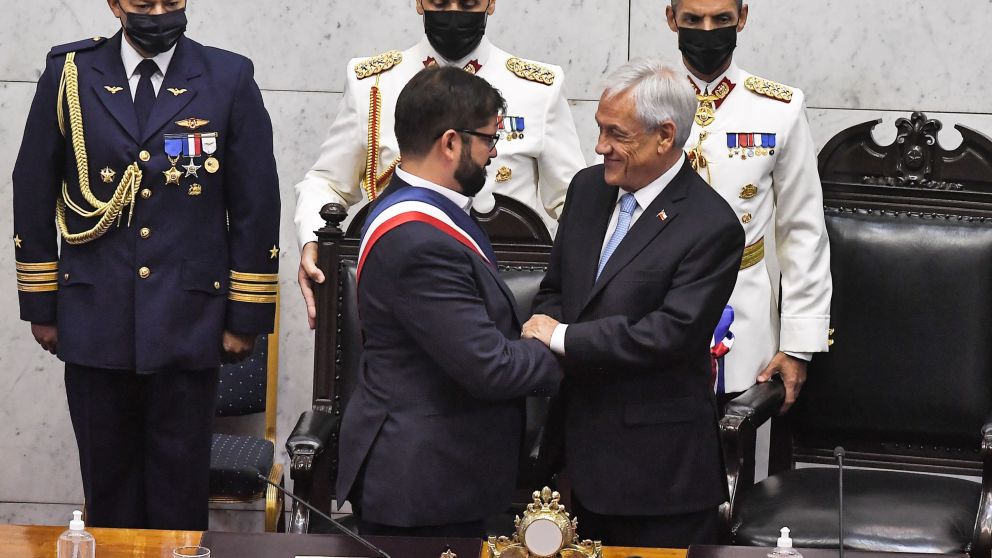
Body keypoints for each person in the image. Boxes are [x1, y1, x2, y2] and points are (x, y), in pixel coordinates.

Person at [12, 0, 280, 530]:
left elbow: (256, 204)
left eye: (170, 1)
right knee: (108, 494)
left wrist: (244, 317)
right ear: (115, 5)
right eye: (143, 3)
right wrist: (42, 305)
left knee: (179, 500)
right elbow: (33, 188)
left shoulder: (227, 77)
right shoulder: (71, 75)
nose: (158, 12)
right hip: (94, 318)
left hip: (189, 322)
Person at [523, 59, 744, 548]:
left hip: (656, 478)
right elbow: (556, 289)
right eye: (600, 129)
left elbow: (669, 334)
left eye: (616, 134)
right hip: (572, 459)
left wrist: (562, 338)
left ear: (664, 136)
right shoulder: (587, 189)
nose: (600, 146)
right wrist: (547, 330)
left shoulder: (711, 226)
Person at [336, 66, 562, 538]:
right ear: (451, 143)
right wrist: (569, 346)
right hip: (423, 485)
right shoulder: (419, 239)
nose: (493, 153)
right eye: (489, 140)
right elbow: (490, 367)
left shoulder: (431, 208)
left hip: (440, 471)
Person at [294, 0, 586, 329]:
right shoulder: (373, 83)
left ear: (491, 4)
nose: (453, 12)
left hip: (505, 287)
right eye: (440, 2)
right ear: (420, 3)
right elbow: (326, 183)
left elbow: (575, 200)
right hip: (401, 282)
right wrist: (313, 242)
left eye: (469, 3)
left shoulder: (537, 89)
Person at [667, 0, 832, 410]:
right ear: (672, 20)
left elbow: (803, 230)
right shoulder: (642, 100)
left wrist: (798, 346)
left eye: (721, 19)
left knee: (739, 442)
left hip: (744, 316)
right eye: (693, 19)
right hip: (655, 309)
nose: (708, 31)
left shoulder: (779, 108)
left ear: (742, 18)